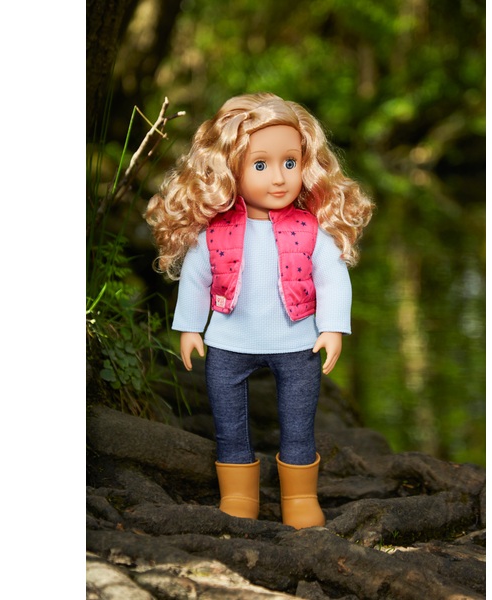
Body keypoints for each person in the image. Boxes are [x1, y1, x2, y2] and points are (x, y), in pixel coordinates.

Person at [146, 92, 373, 528]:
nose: (279, 178)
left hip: (298, 342)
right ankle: (238, 495)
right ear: (230, 168)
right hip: (228, 341)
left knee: (299, 423)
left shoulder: (311, 229)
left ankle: (300, 497)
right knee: (229, 423)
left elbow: (332, 278)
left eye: (290, 162)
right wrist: (190, 328)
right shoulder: (214, 232)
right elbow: (196, 278)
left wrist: (332, 328)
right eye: (260, 165)